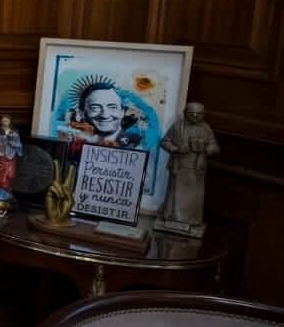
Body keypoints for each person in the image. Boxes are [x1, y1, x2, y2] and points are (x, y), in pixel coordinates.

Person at [157, 102, 219, 231]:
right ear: (185, 113)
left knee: (193, 197)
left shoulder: (206, 128)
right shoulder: (177, 126)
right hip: (179, 166)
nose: (195, 116)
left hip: (196, 169)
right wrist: (175, 149)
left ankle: (190, 220)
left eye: (199, 114)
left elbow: (215, 147)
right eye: (192, 113)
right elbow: (164, 142)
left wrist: (206, 149)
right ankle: (171, 217)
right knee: (174, 195)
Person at [63, 78, 144, 149]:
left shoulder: (136, 144)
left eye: (112, 107)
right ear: (82, 113)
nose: (105, 115)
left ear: (122, 111)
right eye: (95, 107)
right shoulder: (73, 142)